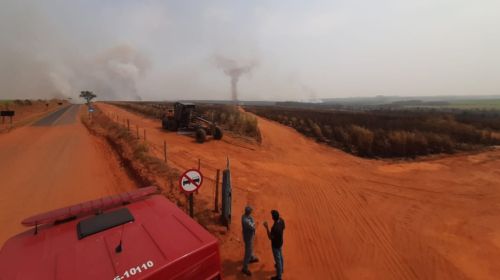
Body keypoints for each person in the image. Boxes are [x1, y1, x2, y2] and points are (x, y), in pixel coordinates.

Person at [264, 210, 285, 280]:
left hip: (275, 245)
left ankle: (279, 277)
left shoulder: (274, 228)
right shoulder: (281, 220)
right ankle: (281, 269)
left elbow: (270, 237)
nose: (271, 217)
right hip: (280, 242)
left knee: (278, 260)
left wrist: (266, 227)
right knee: (281, 255)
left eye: (272, 216)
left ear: (273, 218)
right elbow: (283, 228)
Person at [241, 206, 259, 276]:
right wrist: (254, 224)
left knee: (250, 247)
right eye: (250, 211)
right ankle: (245, 268)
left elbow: (252, 221)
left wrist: (253, 223)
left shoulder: (245, 216)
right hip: (248, 237)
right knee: (248, 251)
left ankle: (251, 257)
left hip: (249, 236)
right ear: (248, 212)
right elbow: (252, 226)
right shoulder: (245, 220)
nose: (251, 212)